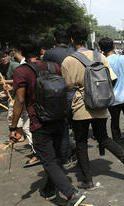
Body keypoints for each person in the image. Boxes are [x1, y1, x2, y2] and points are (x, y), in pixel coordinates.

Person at [11, 36, 85, 206]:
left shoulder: (22, 71)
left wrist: (14, 127)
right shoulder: (54, 67)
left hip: (39, 122)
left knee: (48, 160)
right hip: (59, 118)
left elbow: (20, 99)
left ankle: (72, 194)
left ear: (22, 52)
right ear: (41, 51)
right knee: (58, 157)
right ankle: (49, 189)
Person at [61, 24, 124, 190]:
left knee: (81, 142)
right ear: (85, 38)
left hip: (81, 107)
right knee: (103, 137)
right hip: (100, 105)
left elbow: (68, 86)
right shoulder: (100, 56)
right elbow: (112, 78)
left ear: (71, 39)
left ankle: (88, 180)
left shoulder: (68, 61)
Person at [43, 26, 76, 168]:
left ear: (55, 39)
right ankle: (77, 154)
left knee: (63, 127)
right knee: (76, 127)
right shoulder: (75, 52)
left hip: (59, 94)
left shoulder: (49, 54)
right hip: (77, 93)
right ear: (69, 39)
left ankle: (64, 157)